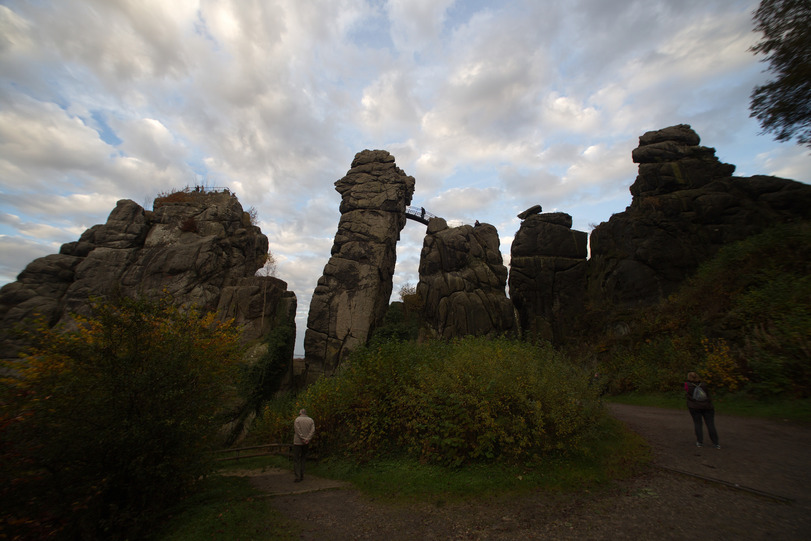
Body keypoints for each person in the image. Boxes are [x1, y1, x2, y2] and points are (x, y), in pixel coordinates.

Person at [685, 372, 720, 449]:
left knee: (698, 424)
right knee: (710, 424)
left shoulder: (687, 384)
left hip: (694, 406)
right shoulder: (704, 384)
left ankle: (699, 442)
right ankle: (716, 443)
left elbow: (687, 392)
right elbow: (708, 394)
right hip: (707, 406)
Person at [292, 408, 315, 482]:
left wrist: (302, 438)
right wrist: (307, 438)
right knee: (303, 458)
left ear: (300, 413)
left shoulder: (297, 420)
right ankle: (302, 474)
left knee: (296, 459)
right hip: (306, 442)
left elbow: (297, 430)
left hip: (298, 442)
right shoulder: (311, 420)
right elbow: (312, 430)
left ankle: (297, 476)